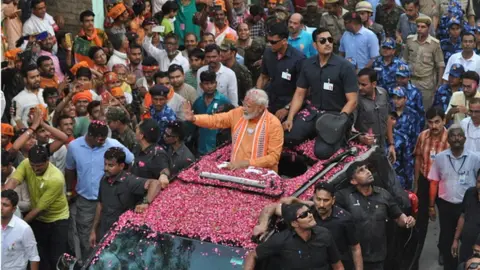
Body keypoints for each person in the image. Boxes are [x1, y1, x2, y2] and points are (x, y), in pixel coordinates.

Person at [283, 27, 358, 159]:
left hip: (336, 114)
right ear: (315, 45)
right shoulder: (307, 64)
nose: (328, 43)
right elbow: (300, 93)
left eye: (330, 40)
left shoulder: (345, 66)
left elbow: (353, 100)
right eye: (322, 41)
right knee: (288, 138)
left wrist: (340, 120)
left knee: (322, 152)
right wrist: (290, 118)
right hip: (313, 112)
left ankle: (342, 137)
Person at [253, 182, 363, 269]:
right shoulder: (305, 211)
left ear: (333, 200)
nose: (321, 204)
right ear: (313, 197)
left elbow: (355, 248)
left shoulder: (344, 218)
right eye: (318, 199)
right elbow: (272, 207)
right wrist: (262, 225)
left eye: (326, 200)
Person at [65, 121, 134, 261]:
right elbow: (69, 169)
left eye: (105, 139)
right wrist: (69, 191)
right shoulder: (74, 146)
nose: (103, 142)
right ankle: (90, 263)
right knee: (86, 238)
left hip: (110, 201)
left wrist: (120, 183)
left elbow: (130, 160)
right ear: (90, 135)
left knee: (110, 236)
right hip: (87, 201)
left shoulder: (112, 143)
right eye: (100, 139)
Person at [335, 161, 416, 270]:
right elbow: (325, 202)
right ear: (353, 181)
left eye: (367, 168)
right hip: (352, 258)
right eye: (361, 170)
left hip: (377, 258)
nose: (368, 172)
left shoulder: (383, 195)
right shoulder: (344, 196)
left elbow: (399, 218)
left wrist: (408, 221)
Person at [183, 88, 283, 172]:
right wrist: (194, 118)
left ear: (261, 108)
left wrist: (247, 163)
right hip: (237, 171)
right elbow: (216, 120)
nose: (244, 108)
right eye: (244, 103)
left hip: (264, 176)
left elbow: (273, 158)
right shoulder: (238, 113)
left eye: (248, 106)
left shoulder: (273, 124)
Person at [4, 145, 69, 270]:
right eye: (32, 165)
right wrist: (2, 198)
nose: (34, 169)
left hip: (57, 220)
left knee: (57, 259)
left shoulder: (56, 179)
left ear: (47, 161)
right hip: (38, 220)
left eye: (38, 166)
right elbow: (13, 181)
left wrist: (16, 227)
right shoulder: (26, 163)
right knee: (39, 256)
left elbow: (39, 209)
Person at [428, 125, 480, 270]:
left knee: (468, 239)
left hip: (469, 206)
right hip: (446, 205)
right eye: (453, 135)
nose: (456, 138)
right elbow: (434, 182)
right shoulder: (440, 158)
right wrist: (431, 206)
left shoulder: (475, 158)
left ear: (464, 139)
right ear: (448, 139)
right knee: (447, 240)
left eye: (459, 135)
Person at [89, 147, 161, 246]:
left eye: (111, 165)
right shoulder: (104, 179)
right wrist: (93, 230)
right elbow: (100, 205)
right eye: (105, 164)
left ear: (121, 166)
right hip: (103, 233)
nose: (106, 168)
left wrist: (145, 202)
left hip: (122, 238)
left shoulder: (129, 181)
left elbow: (156, 183)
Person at [244, 202, 344, 270]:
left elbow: (337, 265)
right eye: (304, 215)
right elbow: (252, 255)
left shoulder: (324, 234)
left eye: (309, 212)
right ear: (294, 223)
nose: (310, 215)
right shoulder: (280, 240)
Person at [413, 106, 450, 267]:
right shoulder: (422, 136)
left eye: (437, 122)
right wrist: (416, 184)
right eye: (430, 122)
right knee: (420, 220)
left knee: (446, 220)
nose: (434, 126)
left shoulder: (451, 139)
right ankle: (416, 253)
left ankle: (443, 249)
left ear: (444, 121)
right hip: (425, 181)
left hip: (443, 184)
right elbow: (418, 159)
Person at [256, 22, 305, 119]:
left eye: (273, 42)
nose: (270, 44)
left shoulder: (299, 59)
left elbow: (302, 91)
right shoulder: (268, 53)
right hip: (269, 100)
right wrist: (257, 95)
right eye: (269, 41)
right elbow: (263, 77)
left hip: (288, 103)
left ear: (284, 41)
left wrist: (287, 109)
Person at [403, 15, 445, 109]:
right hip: (411, 81)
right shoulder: (410, 40)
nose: (419, 29)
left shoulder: (435, 44)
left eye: (423, 27)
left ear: (428, 28)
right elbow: (404, 60)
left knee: (425, 111)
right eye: (418, 26)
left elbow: (440, 65)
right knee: (409, 109)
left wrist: (439, 84)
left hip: (426, 83)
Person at [355, 68, 395, 156]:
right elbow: (349, 127)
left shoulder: (383, 94)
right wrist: (361, 138)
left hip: (382, 146)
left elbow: (388, 118)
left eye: (363, 85)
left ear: (374, 84)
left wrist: (391, 144)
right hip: (364, 150)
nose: (360, 87)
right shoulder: (356, 99)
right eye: (358, 84)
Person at [192, 70, 232, 155]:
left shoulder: (224, 101)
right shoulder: (198, 103)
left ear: (216, 84)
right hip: (201, 148)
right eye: (206, 84)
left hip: (219, 149)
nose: (209, 86)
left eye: (212, 83)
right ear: (201, 85)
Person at [1, 189, 40, 270]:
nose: (1, 207)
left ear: (14, 209)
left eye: (5, 205)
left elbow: (34, 257)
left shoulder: (24, 229)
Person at [452, 171, 480, 264]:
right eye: (479, 182)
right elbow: (463, 216)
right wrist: (456, 240)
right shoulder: (470, 193)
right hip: (466, 247)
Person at [395, 63, 425, 130]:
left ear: (409, 77)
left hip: (411, 128)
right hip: (395, 128)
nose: (399, 80)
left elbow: (421, 114)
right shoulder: (391, 90)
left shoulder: (415, 92)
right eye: (398, 77)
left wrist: (419, 130)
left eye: (402, 78)